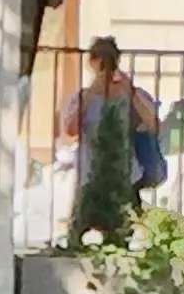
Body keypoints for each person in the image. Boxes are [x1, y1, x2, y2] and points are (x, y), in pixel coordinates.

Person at [59, 36, 160, 213]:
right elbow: (70, 129)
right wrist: (91, 93)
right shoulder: (83, 97)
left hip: (126, 177)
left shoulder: (132, 95)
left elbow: (153, 125)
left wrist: (130, 92)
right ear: (92, 63)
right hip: (91, 176)